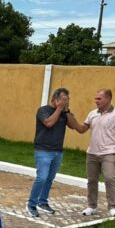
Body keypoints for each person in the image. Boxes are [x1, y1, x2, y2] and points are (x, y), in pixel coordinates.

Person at [70, 89, 115, 217]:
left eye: (99, 99)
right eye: (95, 98)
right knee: (92, 180)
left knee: (110, 178)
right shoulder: (92, 114)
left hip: (109, 153)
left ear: (108, 99)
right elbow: (81, 129)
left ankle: (112, 207)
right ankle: (91, 206)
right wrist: (70, 118)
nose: (96, 101)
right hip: (92, 153)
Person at [26, 87, 75, 217]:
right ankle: (31, 204)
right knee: (41, 178)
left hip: (58, 151)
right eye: (64, 99)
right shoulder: (43, 110)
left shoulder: (64, 113)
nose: (66, 101)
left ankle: (43, 202)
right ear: (55, 99)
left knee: (49, 179)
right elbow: (48, 123)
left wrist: (67, 110)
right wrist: (59, 108)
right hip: (43, 150)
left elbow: (73, 126)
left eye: (67, 99)